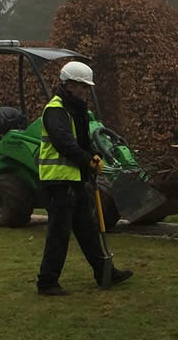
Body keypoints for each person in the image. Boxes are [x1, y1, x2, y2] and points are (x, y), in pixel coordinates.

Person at [36, 60, 133, 296]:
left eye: (87, 87)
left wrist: (95, 156)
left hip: (76, 180)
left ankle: (104, 272)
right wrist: (88, 160)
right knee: (59, 234)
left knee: (88, 230)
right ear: (69, 85)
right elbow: (64, 144)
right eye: (82, 86)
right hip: (59, 181)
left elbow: (82, 142)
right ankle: (47, 282)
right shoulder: (55, 109)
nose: (86, 91)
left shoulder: (77, 111)